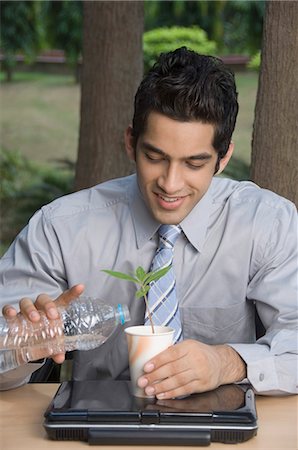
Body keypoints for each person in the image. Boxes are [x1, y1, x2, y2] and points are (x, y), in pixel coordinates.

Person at [0, 47, 297, 396]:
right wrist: (22, 347)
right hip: (97, 431)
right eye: (155, 157)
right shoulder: (60, 228)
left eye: (194, 164)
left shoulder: (267, 224)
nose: (170, 184)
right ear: (131, 143)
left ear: (223, 157)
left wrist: (227, 362)